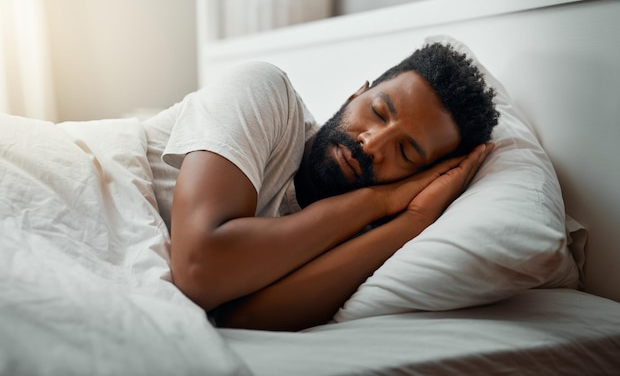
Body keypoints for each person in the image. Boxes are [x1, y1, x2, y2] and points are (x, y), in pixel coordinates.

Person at [142, 42, 499, 331]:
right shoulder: (265, 92)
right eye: (377, 112)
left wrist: (414, 220)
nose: (371, 145)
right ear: (355, 94)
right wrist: (377, 200)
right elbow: (200, 269)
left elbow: (243, 320)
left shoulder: (360, 234)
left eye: (404, 152)